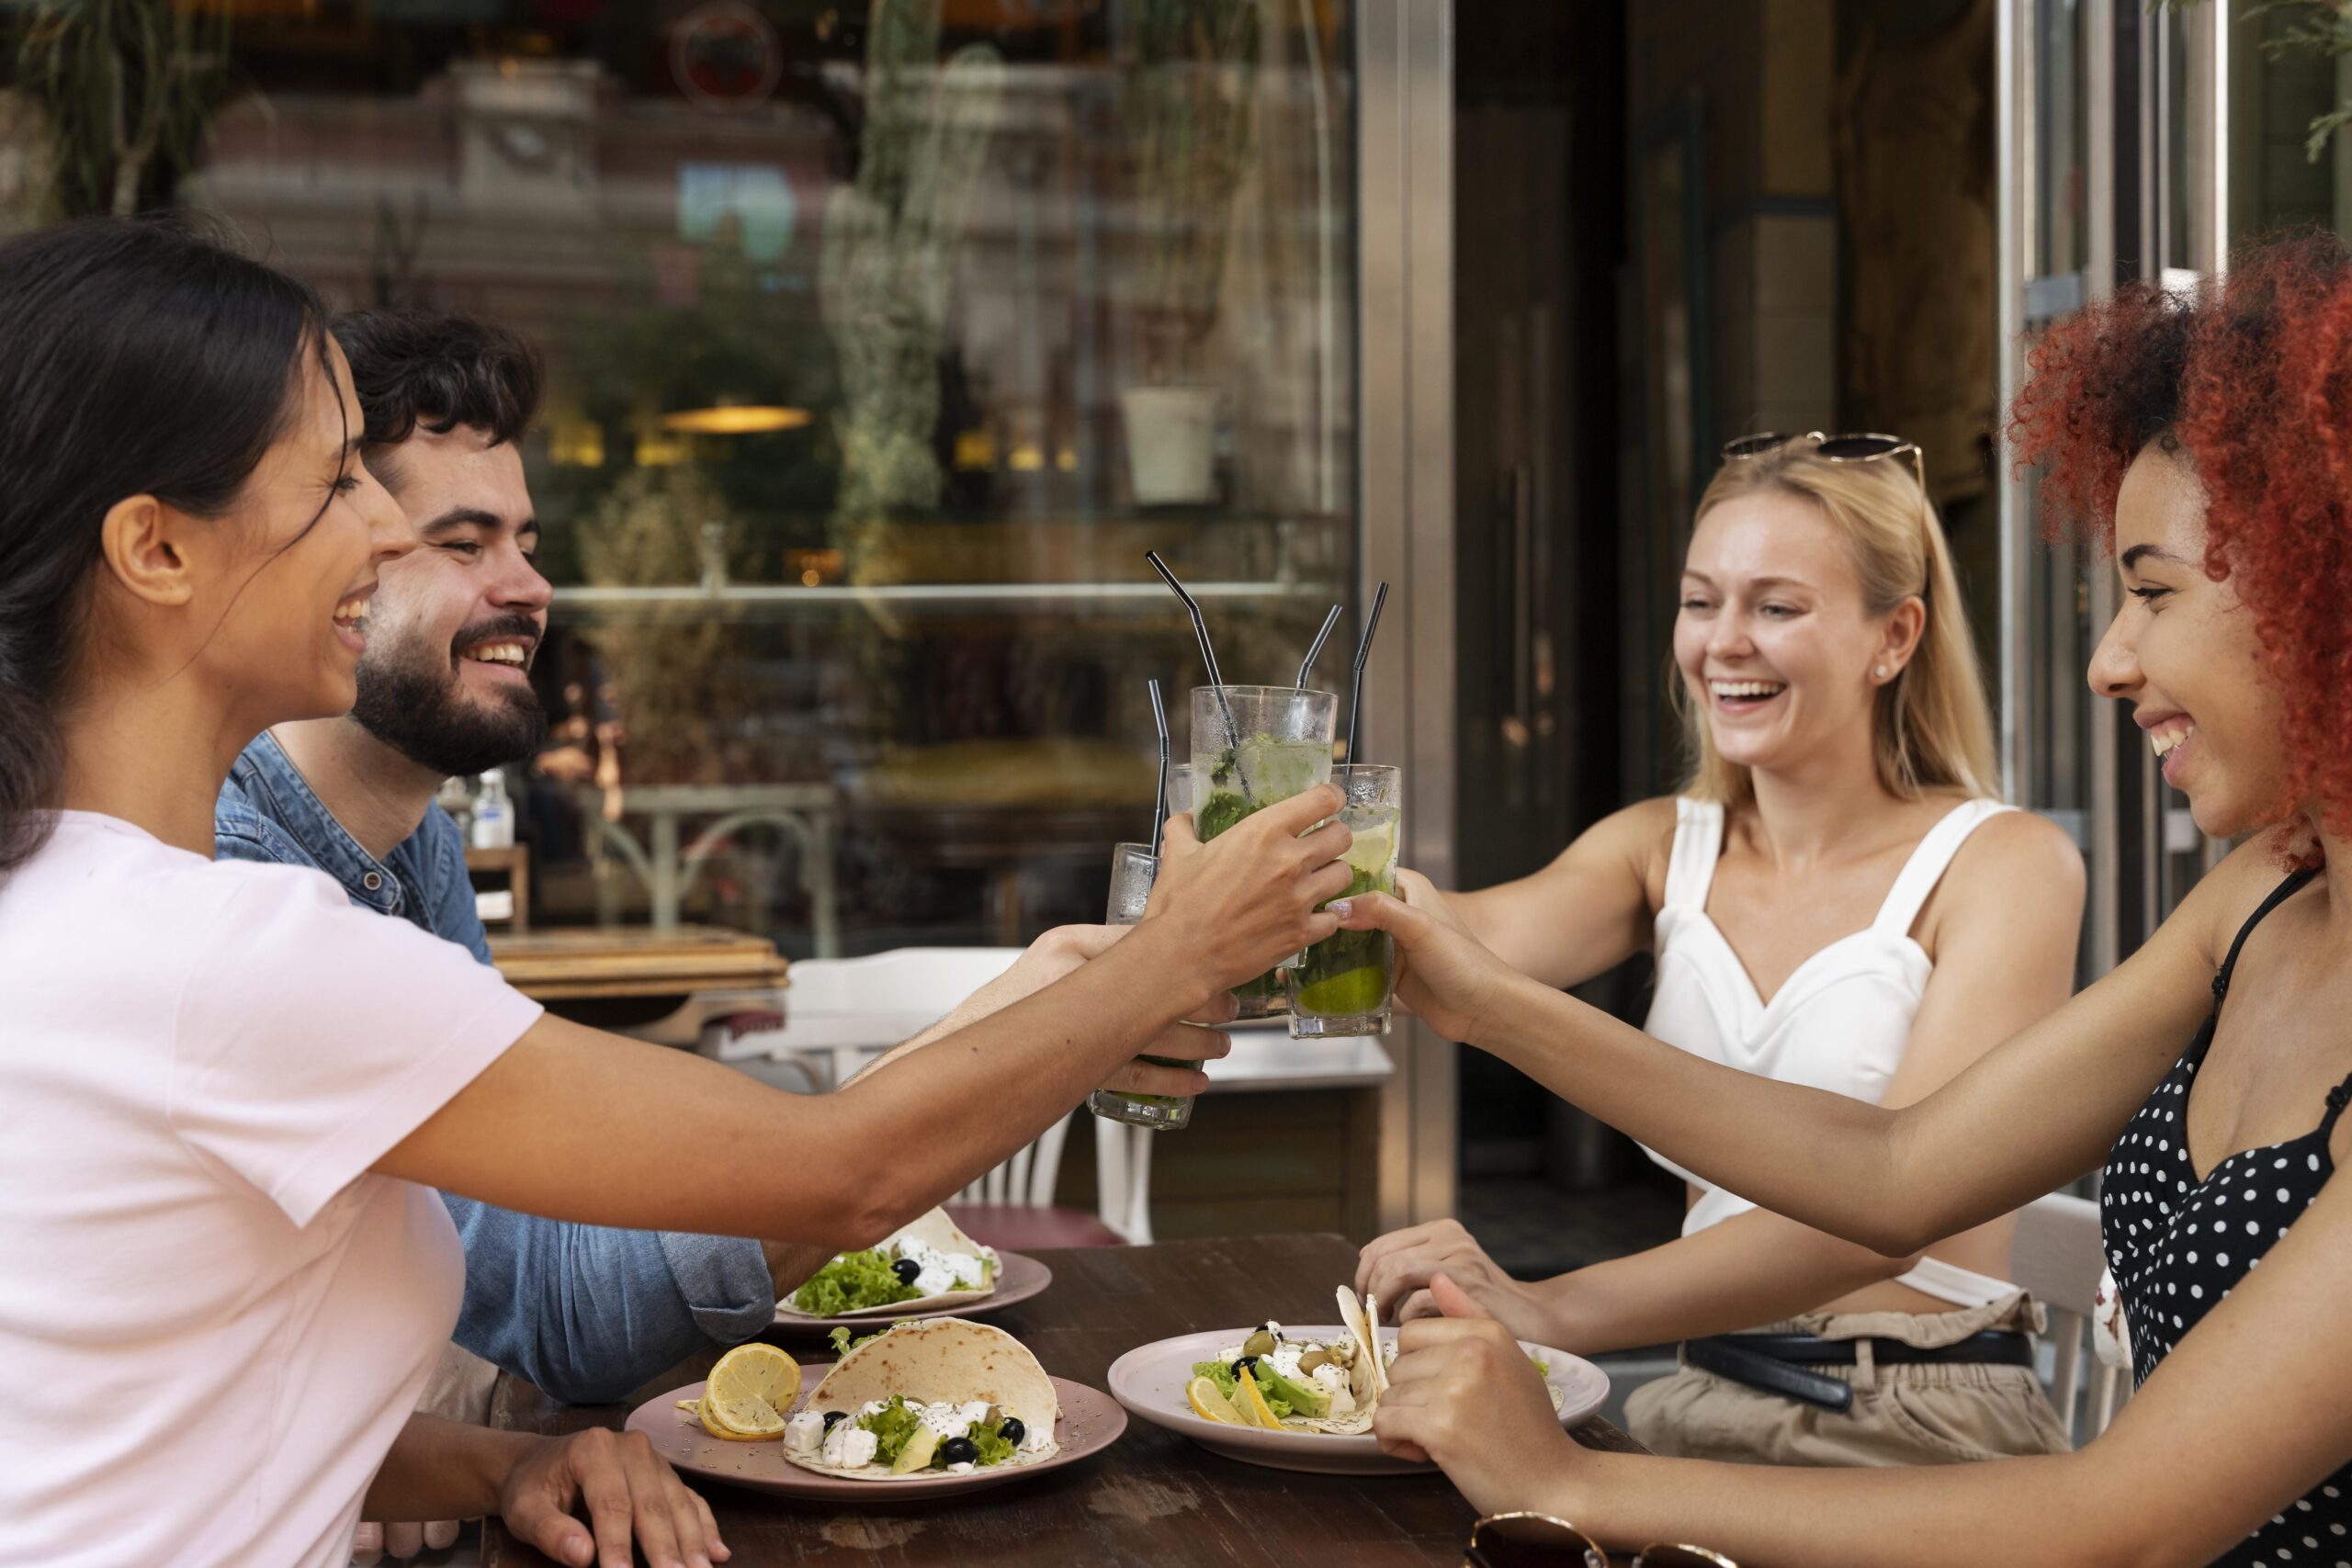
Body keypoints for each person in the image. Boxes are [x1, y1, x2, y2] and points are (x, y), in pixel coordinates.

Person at [0, 216, 1351, 1568]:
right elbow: (842, 1173)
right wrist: (1167, 959)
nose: (376, 529)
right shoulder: (232, 954)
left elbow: (163, 1400)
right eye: (339, 480)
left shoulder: (84, 892)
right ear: (156, 550)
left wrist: (499, 1463)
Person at [1338, 234, 2352, 1563]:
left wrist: (1575, 1478)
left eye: (2151, 592)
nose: (2111, 658)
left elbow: (2124, 1521)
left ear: (2316, 586)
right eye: (1705, 602)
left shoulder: (2023, 864)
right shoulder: (2264, 898)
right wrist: (1469, 994)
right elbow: (1897, 1170)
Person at [215, 310, 1202, 1563]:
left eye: (526, 539)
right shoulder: (237, 879)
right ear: (329, 571)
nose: (528, 585)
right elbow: (568, 1305)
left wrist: (468, 1460)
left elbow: (523, 1267)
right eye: (461, 543)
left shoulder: (415, 852)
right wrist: (1105, 993)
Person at [1356, 434, 2082, 1466]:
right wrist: (1199, 914)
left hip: (1915, 1417)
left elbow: (1882, 1214)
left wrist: (1549, 1308)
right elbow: (1451, 935)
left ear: (1894, 635)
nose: (1723, 642)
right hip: (1699, 1399)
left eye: (1775, 607)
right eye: (1702, 602)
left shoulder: (2004, 865)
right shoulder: (1660, 848)